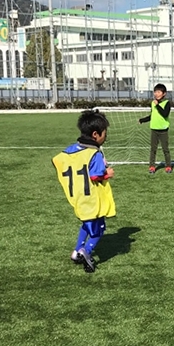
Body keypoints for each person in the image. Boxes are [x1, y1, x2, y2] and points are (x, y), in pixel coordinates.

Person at [52, 109, 115, 273]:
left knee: (86, 225)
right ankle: (85, 251)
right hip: (92, 199)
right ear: (95, 134)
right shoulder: (94, 154)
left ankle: (76, 251)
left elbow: (57, 160)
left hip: (78, 198)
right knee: (98, 230)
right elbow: (95, 176)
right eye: (104, 133)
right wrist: (106, 173)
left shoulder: (72, 149)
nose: (105, 137)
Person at [138, 83, 172, 174]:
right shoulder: (153, 103)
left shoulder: (166, 103)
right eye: (155, 92)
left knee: (165, 149)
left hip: (163, 130)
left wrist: (157, 105)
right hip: (154, 130)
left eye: (158, 92)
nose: (156, 94)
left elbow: (165, 114)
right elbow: (152, 116)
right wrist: (143, 120)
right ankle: (152, 166)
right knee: (153, 149)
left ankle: (168, 166)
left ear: (164, 93)